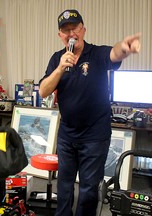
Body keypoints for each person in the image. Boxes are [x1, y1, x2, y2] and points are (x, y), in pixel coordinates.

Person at [39, 9, 141, 216]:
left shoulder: (96, 54)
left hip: (94, 136)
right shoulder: (57, 59)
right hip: (67, 135)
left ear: (83, 30)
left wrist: (124, 47)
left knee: (88, 191)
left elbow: (114, 53)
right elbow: (43, 90)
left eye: (74, 28)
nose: (71, 34)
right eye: (65, 30)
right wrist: (59, 69)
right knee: (64, 187)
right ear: (60, 35)